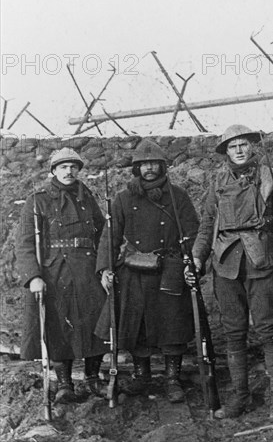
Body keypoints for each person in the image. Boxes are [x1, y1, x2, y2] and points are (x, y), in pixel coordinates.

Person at [191, 125, 273, 421]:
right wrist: (198, 257)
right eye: (232, 146)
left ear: (252, 148)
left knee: (268, 331)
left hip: (262, 262)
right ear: (226, 152)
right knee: (233, 334)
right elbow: (207, 224)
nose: (238, 150)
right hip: (225, 265)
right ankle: (240, 396)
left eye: (243, 145)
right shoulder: (217, 181)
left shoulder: (271, 178)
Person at [95, 139, 199, 403]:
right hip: (134, 270)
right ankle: (142, 376)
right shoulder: (123, 199)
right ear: (136, 168)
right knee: (137, 325)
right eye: (143, 164)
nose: (149, 168)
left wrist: (192, 263)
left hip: (169, 269)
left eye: (154, 163)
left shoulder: (178, 197)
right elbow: (111, 236)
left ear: (162, 166)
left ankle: (172, 379)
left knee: (172, 325)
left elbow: (193, 233)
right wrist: (106, 269)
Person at [16, 148, 106, 402]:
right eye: (63, 167)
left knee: (94, 321)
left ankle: (92, 379)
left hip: (88, 269)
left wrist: (105, 266)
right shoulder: (39, 200)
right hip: (55, 272)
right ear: (53, 171)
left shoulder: (87, 197)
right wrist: (33, 276)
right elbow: (24, 243)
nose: (69, 171)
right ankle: (64, 384)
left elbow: (102, 233)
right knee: (58, 325)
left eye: (74, 167)